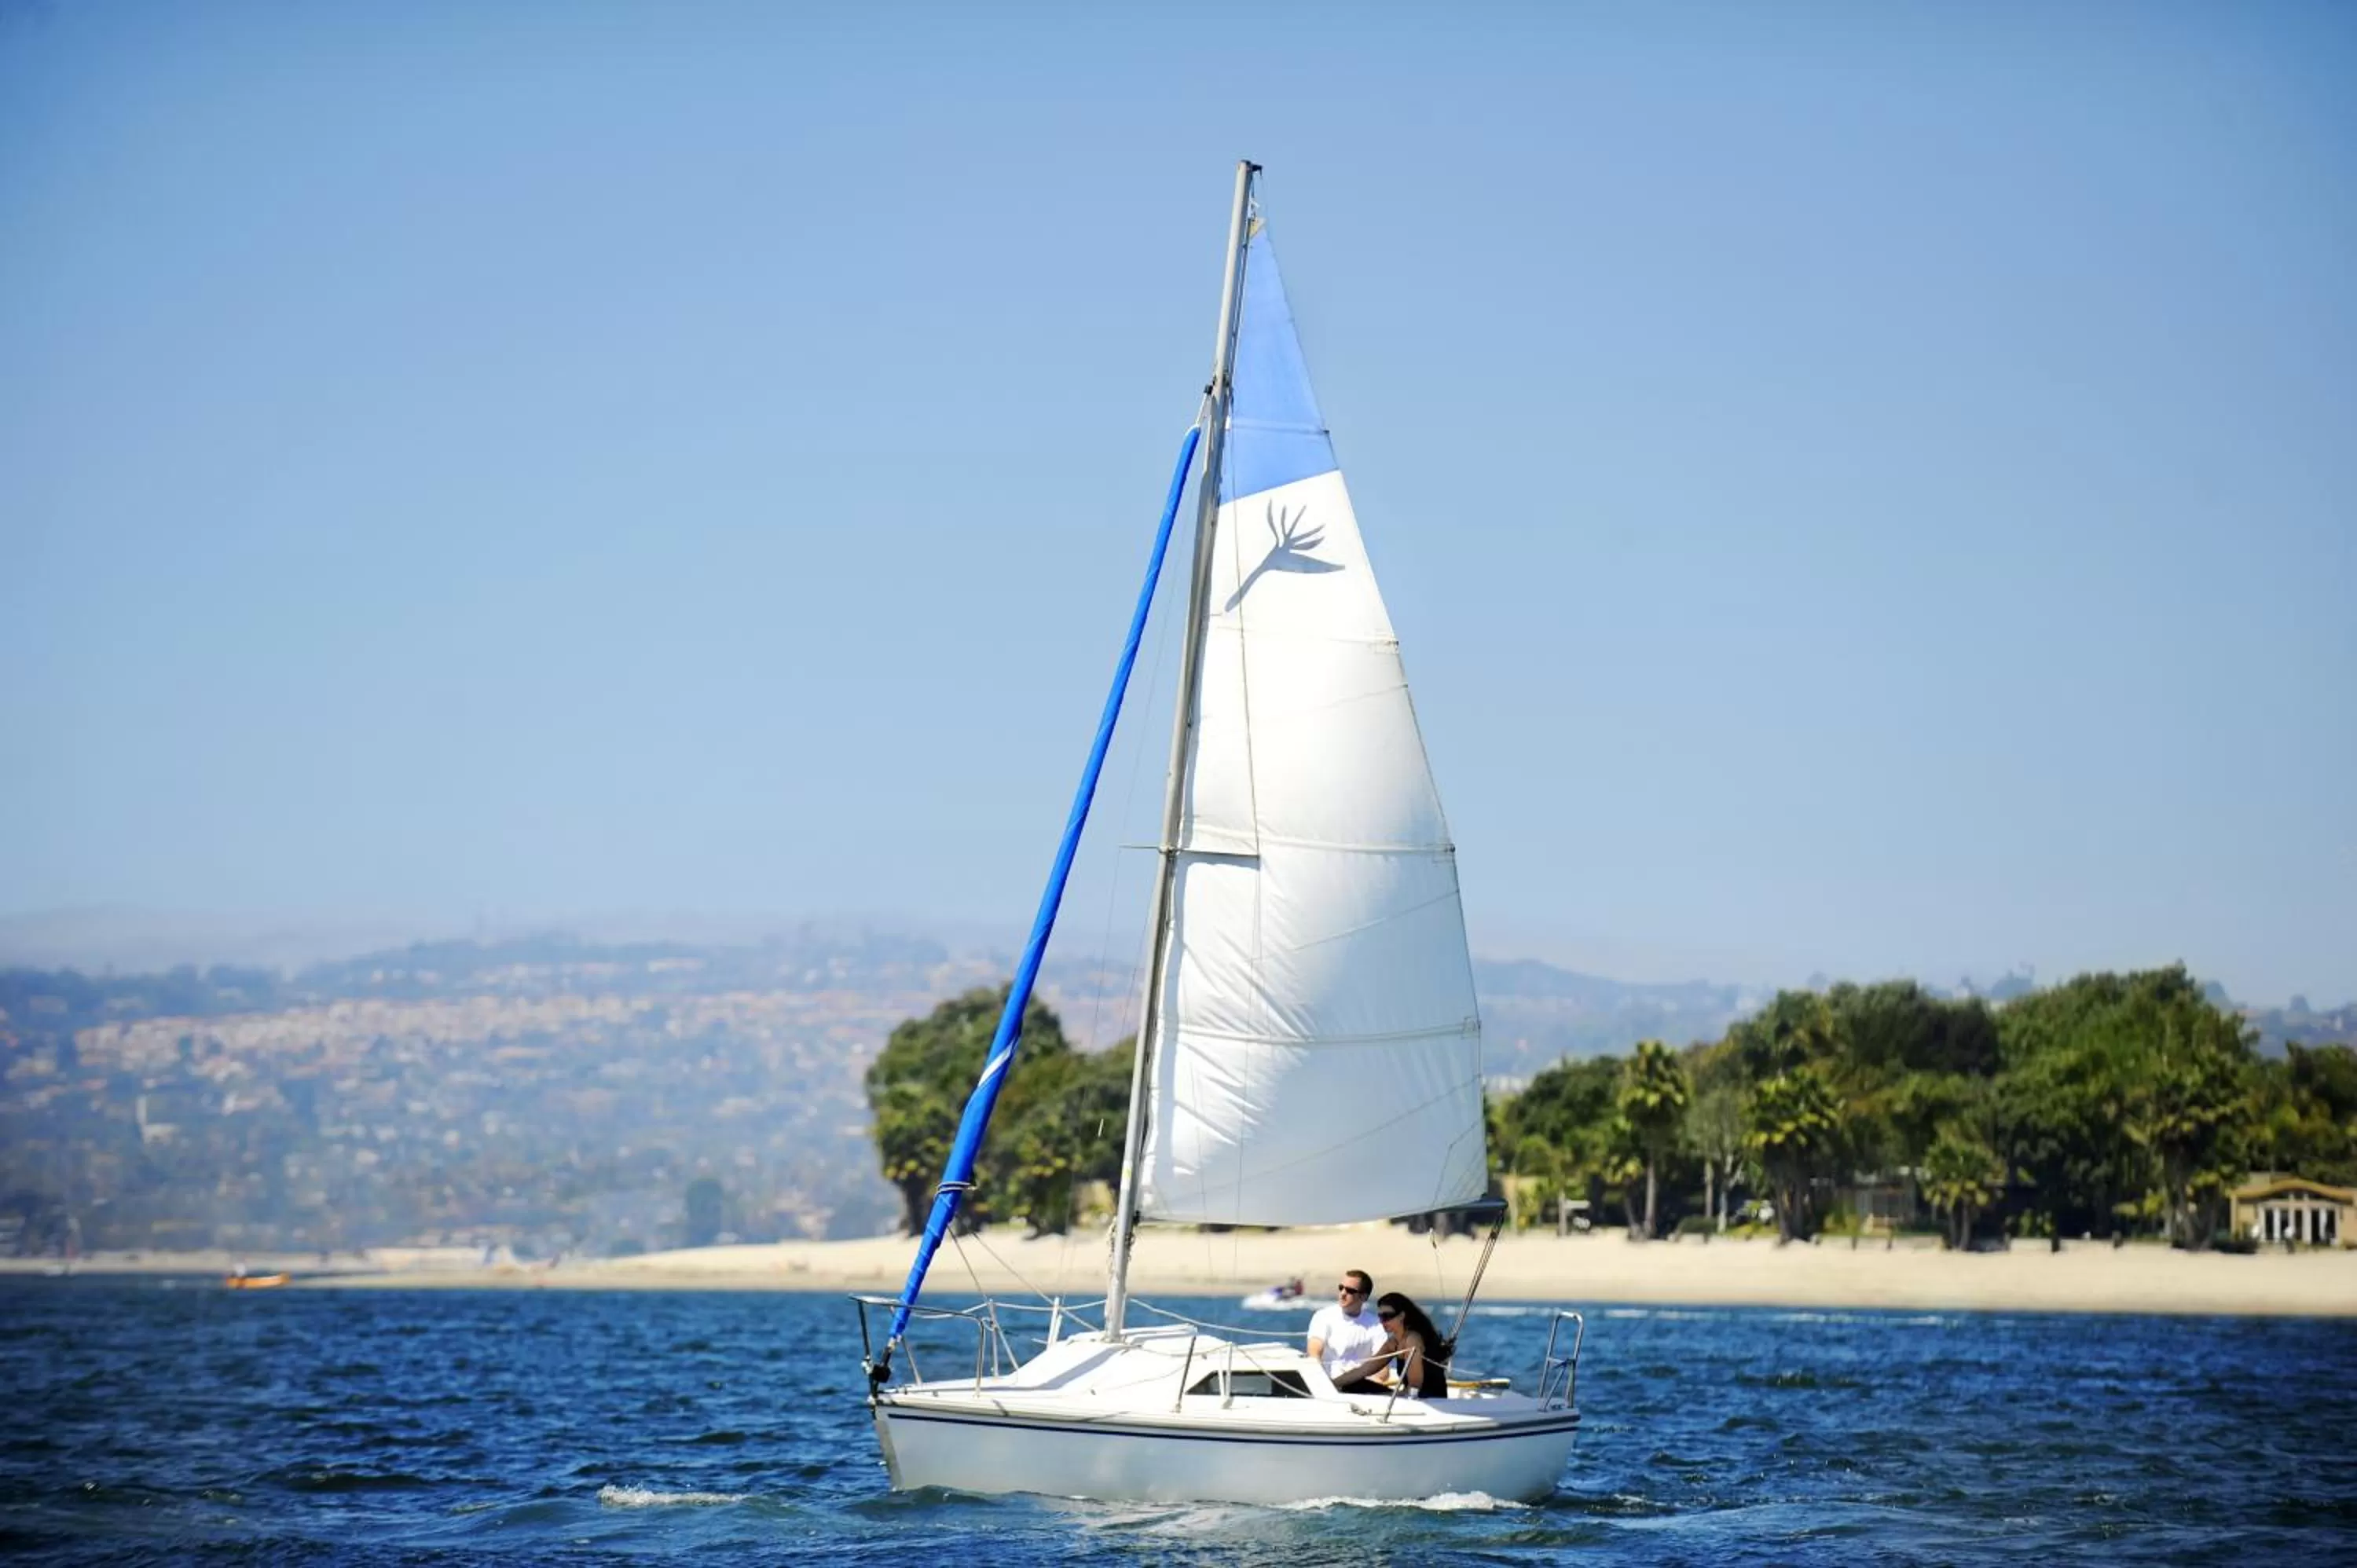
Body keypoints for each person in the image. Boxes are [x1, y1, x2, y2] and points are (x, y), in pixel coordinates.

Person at [1333, 1291, 1452, 1400]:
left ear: (1402, 1316)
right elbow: (1364, 1370)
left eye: (1387, 1316)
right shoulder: (1394, 1342)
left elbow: (1415, 1387)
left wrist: (1385, 1396)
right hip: (1408, 1395)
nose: (1382, 1321)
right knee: (1353, 1385)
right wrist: (1332, 1384)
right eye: (1380, 1317)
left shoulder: (1412, 1339)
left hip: (1429, 1399)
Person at [1305, 1269, 1387, 1390]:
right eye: (1341, 1287)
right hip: (1328, 1384)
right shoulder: (1323, 1316)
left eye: (1350, 1291)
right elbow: (1314, 1352)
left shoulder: (1376, 1325)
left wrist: (1375, 1379)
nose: (1343, 1293)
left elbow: (1383, 1370)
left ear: (1364, 1297)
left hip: (1359, 1385)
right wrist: (1321, 1384)